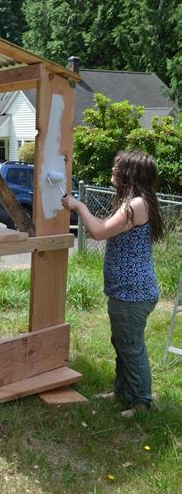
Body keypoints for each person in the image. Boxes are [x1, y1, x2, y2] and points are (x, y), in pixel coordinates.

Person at [62, 151, 164, 417]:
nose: (113, 170)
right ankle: (122, 392)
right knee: (121, 342)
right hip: (127, 291)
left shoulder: (137, 205)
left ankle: (141, 403)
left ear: (130, 173)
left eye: (117, 167)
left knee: (130, 346)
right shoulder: (135, 202)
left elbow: (98, 232)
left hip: (133, 294)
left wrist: (79, 206)